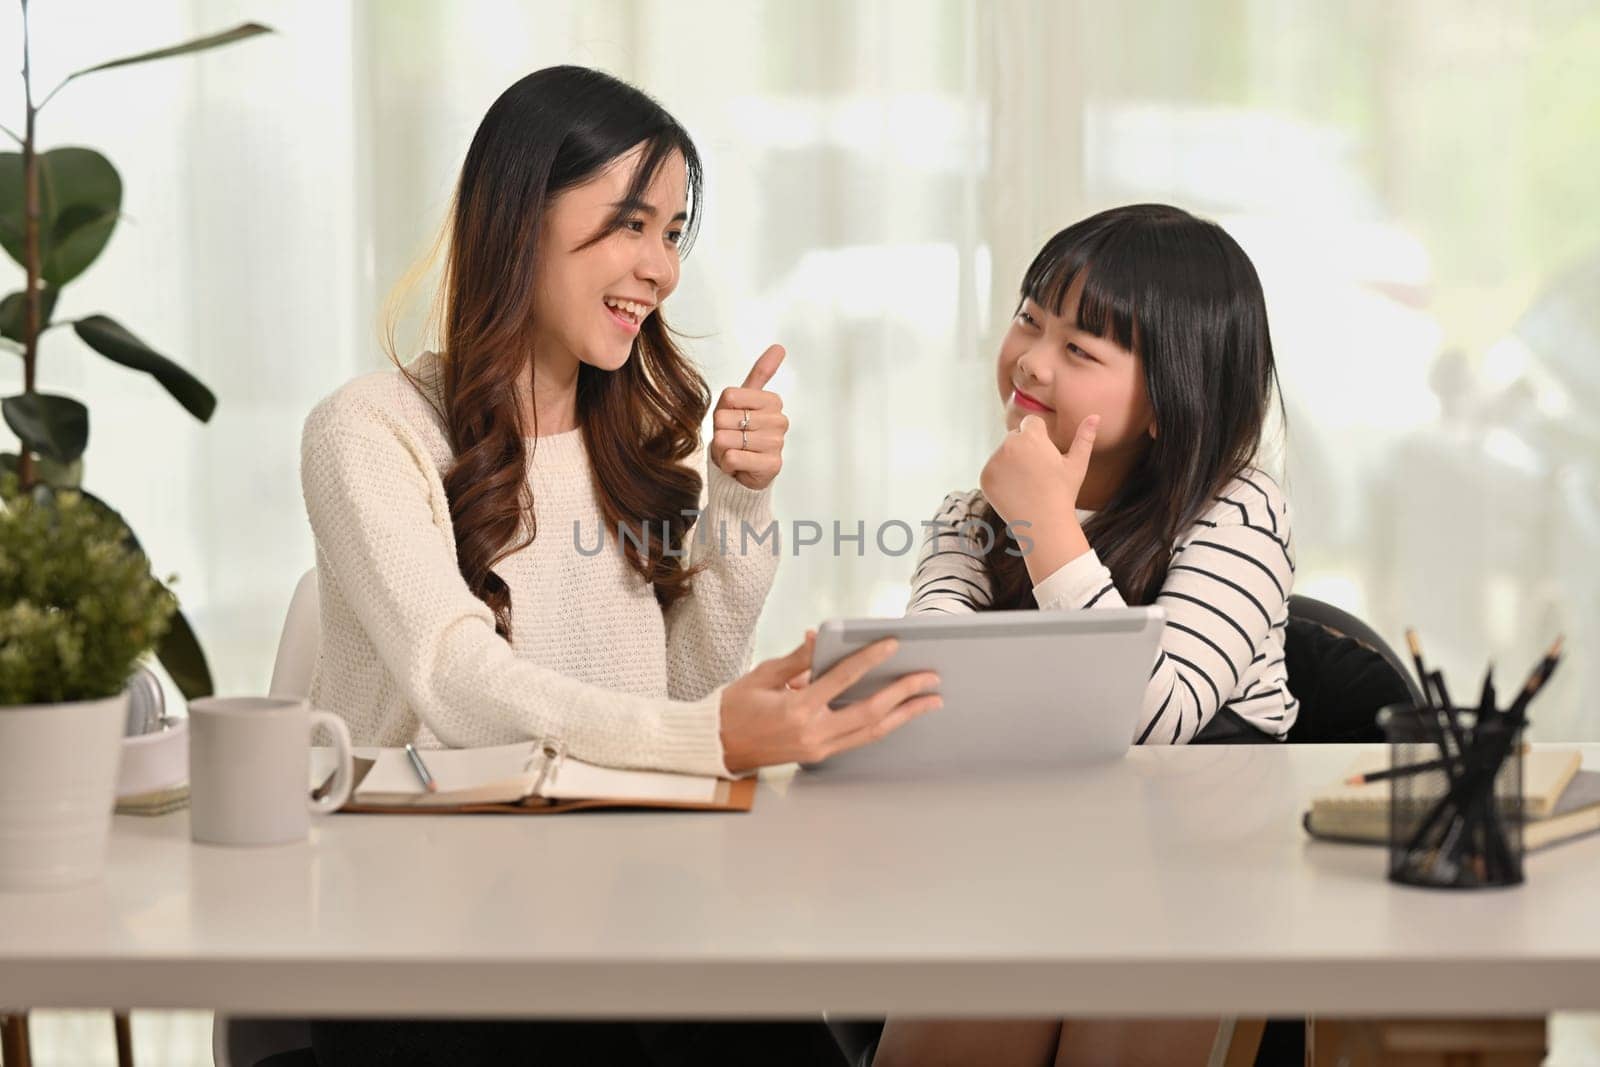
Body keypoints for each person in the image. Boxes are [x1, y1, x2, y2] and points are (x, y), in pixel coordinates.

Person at [298, 64, 940, 1066]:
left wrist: (739, 501)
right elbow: (452, 681)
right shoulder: (369, 431)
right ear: (518, 214)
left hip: (621, 905)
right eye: (632, 222)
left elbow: (674, 692)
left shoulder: (632, 439)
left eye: (675, 232)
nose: (663, 266)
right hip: (419, 931)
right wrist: (715, 733)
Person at [876, 203, 1293, 1066]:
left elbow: (1160, 715)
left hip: (1199, 885)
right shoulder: (970, 516)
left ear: (1167, 399)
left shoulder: (1238, 511)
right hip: (1020, 869)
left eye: (1080, 349)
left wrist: (1046, 527)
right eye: (1031, 318)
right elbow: (927, 683)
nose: (1030, 359)